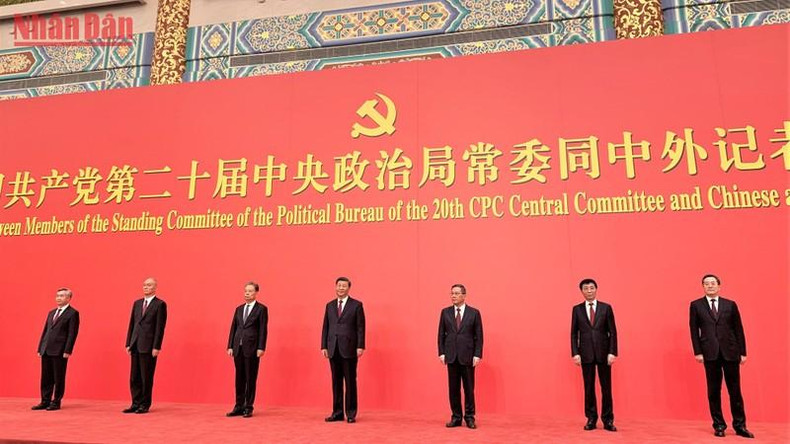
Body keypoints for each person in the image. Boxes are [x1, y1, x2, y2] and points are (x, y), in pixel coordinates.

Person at [690, 274, 754, 438]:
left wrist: (742, 352)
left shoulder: (730, 305)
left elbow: (738, 329)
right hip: (709, 353)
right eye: (706, 284)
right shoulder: (696, 305)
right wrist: (698, 352)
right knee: (713, 391)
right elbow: (694, 331)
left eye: (712, 283)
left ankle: (740, 425)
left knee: (735, 390)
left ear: (719, 286)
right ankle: (719, 425)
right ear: (703, 287)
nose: (710, 286)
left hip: (730, 352)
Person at [570, 278, 618, 432]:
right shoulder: (577, 309)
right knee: (589, 387)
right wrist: (575, 353)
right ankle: (591, 418)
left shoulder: (606, 308)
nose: (589, 291)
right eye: (586, 288)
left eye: (591, 288)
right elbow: (573, 333)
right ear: (582, 291)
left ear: (596, 289)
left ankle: (608, 420)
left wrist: (612, 352)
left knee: (606, 388)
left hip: (604, 354)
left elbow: (613, 332)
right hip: (586, 354)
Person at [437, 284, 483, 429]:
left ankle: (469, 417)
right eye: (452, 293)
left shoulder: (474, 313)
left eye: (456, 293)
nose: (453, 296)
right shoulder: (445, 313)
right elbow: (440, 334)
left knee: (469, 388)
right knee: (453, 389)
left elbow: (479, 336)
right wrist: (442, 352)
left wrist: (477, 354)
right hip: (451, 356)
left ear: (464, 295)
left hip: (468, 356)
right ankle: (456, 417)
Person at [321, 276, 365, 423]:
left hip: (349, 348)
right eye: (338, 285)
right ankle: (337, 412)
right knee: (336, 382)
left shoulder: (356, 305)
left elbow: (360, 327)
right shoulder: (329, 305)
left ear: (348, 288)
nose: (341, 288)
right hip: (333, 348)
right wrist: (324, 346)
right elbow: (325, 327)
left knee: (350, 381)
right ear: (335, 287)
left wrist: (360, 346)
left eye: (344, 286)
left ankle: (351, 413)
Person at [124, 277, 167, 414]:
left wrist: (156, 346)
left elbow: (160, 327)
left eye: (149, 285)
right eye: (144, 285)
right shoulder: (137, 303)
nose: (146, 287)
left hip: (148, 345)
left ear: (155, 287)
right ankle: (135, 403)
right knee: (134, 376)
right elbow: (132, 324)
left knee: (146, 376)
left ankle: (145, 404)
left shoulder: (160, 304)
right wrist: (128, 342)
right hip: (135, 343)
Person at [32, 287, 80, 411]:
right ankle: (45, 400)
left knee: (58, 377)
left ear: (69, 298)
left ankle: (56, 401)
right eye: (57, 295)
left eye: (62, 296)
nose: (59, 298)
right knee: (45, 377)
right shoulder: (51, 313)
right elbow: (45, 331)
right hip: (46, 349)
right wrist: (40, 347)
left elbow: (72, 333)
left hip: (60, 350)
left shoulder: (73, 313)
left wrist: (68, 350)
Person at [226, 281, 269, 418]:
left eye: (250, 291)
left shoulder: (261, 309)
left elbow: (263, 329)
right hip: (238, 347)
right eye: (245, 291)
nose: (247, 293)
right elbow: (234, 328)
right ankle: (238, 405)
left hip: (252, 348)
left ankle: (248, 406)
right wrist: (230, 345)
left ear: (256, 292)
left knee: (250, 378)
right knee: (239, 378)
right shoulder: (239, 309)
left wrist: (261, 347)